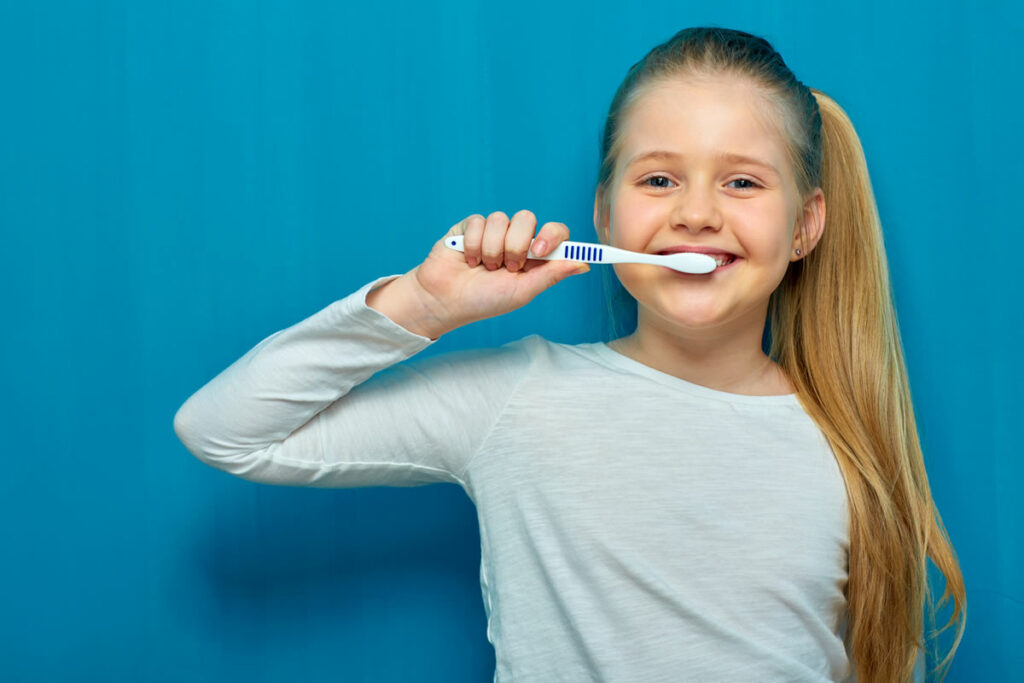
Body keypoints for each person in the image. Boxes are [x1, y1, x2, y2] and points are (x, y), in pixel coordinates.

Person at [174, 26, 966, 682]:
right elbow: (224, 429)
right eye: (659, 179)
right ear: (605, 216)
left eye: (742, 184)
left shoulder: (847, 444)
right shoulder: (518, 397)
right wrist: (423, 304)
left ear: (805, 225)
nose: (695, 213)